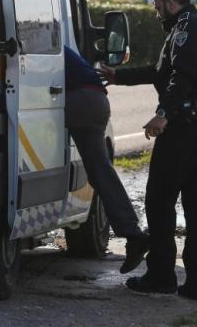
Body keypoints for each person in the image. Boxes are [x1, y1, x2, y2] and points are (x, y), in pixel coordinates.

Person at [99, 0, 197, 300]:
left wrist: (163, 114)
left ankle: (160, 275)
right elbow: (163, 72)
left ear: (171, 3)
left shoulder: (185, 28)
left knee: (159, 198)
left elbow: (181, 77)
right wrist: (119, 76)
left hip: (189, 125)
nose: (156, 13)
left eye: (157, 6)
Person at [64, 44, 149, 274]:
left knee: (100, 172)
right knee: (100, 172)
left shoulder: (36, 40)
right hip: (94, 99)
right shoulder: (52, 39)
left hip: (81, 100)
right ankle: (133, 234)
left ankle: (133, 234)